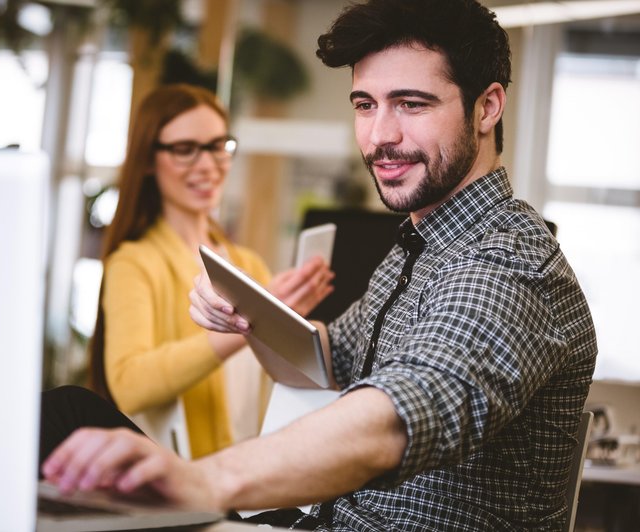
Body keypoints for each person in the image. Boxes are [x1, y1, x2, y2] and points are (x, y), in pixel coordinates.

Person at [41, 1, 598, 530]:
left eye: (412, 103)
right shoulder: (420, 242)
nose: (380, 136)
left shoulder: (510, 262)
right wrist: (246, 312)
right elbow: (330, 355)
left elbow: (400, 414)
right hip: (310, 521)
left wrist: (203, 480)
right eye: (365, 105)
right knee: (68, 413)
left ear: (487, 107)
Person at [86, 83, 333, 459]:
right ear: (149, 161)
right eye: (185, 150)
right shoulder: (135, 262)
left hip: (251, 479)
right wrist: (251, 323)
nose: (208, 165)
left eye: (218, 146)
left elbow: (279, 383)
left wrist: (296, 332)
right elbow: (128, 385)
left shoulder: (247, 263)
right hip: (181, 484)